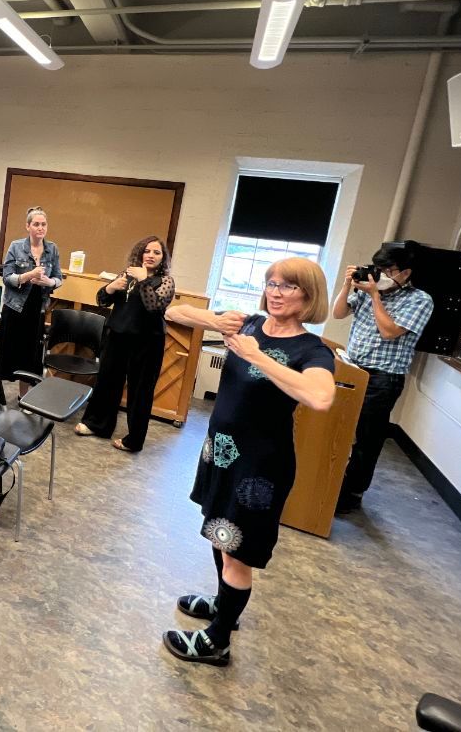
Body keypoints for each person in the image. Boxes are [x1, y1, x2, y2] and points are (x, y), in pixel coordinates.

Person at [162, 258, 335, 667]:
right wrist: (216, 320)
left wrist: (259, 358)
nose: (276, 292)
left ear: (308, 296)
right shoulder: (251, 324)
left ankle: (218, 640)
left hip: (259, 466)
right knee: (220, 532)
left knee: (237, 550)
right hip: (221, 452)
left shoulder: (311, 349)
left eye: (288, 286)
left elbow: (320, 397)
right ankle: (225, 604)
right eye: (272, 283)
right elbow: (172, 311)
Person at [332, 241, 433, 513]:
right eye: (379, 268)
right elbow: (338, 313)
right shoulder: (367, 289)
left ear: (405, 273)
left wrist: (376, 296)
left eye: (388, 270)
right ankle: (329, 484)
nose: (382, 274)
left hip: (383, 378)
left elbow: (389, 331)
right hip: (352, 368)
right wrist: (347, 286)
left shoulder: (419, 300)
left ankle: (351, 492)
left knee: (366, 437)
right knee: (337, 427)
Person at [74, 236, 175, 453]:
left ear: (162, 258)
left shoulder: (166, 281)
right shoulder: (127, 273)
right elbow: (102, 300)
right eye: (147, 251)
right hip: (118, 336)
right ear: (140, 253)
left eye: (156, 252)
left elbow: (154, 307)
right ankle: (97, 425)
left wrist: (143, 280)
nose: (150, 255)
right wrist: (111, 287)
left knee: (140, 391)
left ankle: (134, 440)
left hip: (147, 342)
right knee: (107, 382)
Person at [0, 207, 63, 392]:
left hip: (37, 309)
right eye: (36, 224)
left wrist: (49, 281)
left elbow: (59, 278)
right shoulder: (16, 246)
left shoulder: (52, 249)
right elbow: (7, 277)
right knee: (6, 354)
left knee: (28, 357)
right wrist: (28, 275)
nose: (40, 228)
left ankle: (22, 396)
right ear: (28, 226)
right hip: (15, 307)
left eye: (43, 224)